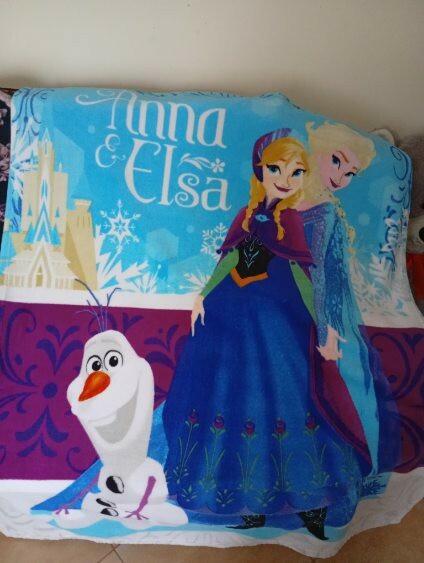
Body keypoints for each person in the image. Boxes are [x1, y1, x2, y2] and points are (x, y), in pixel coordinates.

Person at [162, 129, 364, 540]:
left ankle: (310, 502)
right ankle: (247, 501)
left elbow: (304, 274)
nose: (285, 179)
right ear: (261, 170)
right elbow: (229, 258)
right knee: (232, 400)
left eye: (296, 171)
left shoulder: (291, 219)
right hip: (230, 319)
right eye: (276, 169)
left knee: (288, 400)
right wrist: (203, 295)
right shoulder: (246, 213)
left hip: (276, 326)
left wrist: (322, 326)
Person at [299, 122, 398, 473]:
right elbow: (317, 272)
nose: (341, 177)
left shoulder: (323, 206)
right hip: (321, 307)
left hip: (333, 306)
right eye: (337, 161)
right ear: (316, 152)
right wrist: (326, 326)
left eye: (351, 172)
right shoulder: (316, 209)